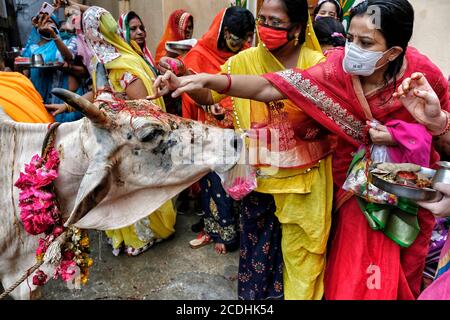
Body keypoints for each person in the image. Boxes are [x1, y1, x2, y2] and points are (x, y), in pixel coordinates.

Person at [150, 0, 449, 300]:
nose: (352, 49)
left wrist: (425, 127)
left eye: (365, 42)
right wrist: (205, 79)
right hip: (354, 191)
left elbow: (444, 137)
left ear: (394, 52)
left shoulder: (425, 76)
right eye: (350, 38)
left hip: (409, 196)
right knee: (353, 271)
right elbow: (271, 87)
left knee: (402, 273)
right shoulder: (336, 70)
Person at [153, 0, 335, 301]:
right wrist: (183, 82)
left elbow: (267, 88)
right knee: (257, 256)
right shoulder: (244, 60)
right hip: (258, 180)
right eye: (261, 19)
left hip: (305, 184)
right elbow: (209, 93)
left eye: (275, 22)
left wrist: (208, 79)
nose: (266, 28)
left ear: (297, 28)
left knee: (303, 258)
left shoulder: (317, 64)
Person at [82, 6, 176, 256]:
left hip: (133, 138)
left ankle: (146, 234)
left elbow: (144, 104)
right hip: (113, 138)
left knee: (135, 186)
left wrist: (113, 105)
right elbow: (96, 91)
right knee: (117, 188)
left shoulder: (123, 63)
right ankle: (122, 234)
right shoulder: (100, 62)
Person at [182, 7, 255, 255]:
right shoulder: (198, 56)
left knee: (238, 184)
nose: (241, 43)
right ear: (223, 32)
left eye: (246, 37)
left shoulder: (246, 55)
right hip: (209, 131)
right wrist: (209, 103)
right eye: (237, 37)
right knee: (213, 184)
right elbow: (192, 92)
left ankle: (234, 231)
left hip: (239, 132)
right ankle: (219, 232)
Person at [22, 13, 82, 115]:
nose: (45, 24)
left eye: (49, 21)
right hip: (38, 92)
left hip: (60, 94)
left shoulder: (64, 42)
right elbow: (25, 74)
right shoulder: (32, 48)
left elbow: (69, 57)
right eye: (42, 21)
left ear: (55, 26)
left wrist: (54, 35)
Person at [118, 11, 159, 78]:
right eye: (133, 29)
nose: (140, 32)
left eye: (141, 28)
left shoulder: (146, 56)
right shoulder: (124, 61)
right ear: (123, 33)